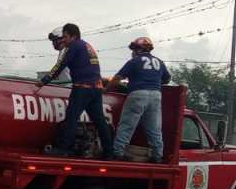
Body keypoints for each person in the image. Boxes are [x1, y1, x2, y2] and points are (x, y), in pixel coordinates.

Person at [36, 23, 114, 158]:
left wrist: (44, 81)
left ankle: (63, 149)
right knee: (99, 121)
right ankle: (109, 152)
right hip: (96, 88)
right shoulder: (87, 46)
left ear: (73, 36)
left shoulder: (74, 46)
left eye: (65, 37)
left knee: (71, 118)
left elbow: (60, 66)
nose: (64, 40)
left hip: (82, 88)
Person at [106, 36, 171, 163]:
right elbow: (167, 79)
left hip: (138, 94)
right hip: (156, 95)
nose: (132, 52)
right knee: (154, 128)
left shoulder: (135, 61)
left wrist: (105, 90)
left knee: (127, 125)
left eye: (133, 49)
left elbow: (117, 78)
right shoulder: (159, 62)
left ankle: (118, 152)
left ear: (138, 49)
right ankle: (157, 156)